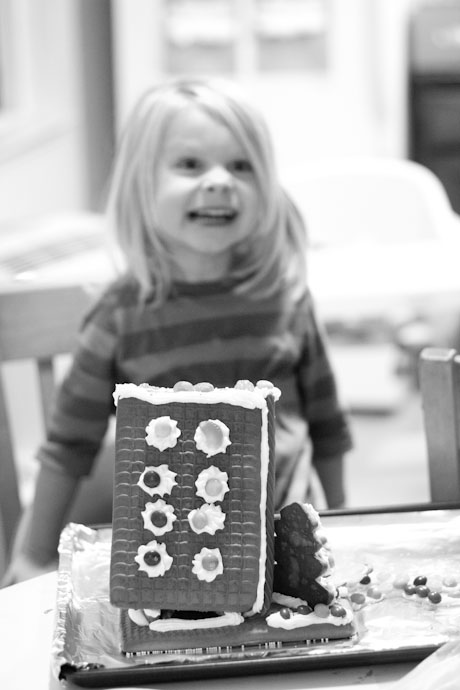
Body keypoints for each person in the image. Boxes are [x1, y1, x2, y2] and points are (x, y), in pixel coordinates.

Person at [6, 77, 352, 584]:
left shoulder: (287, 299)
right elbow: (67, 448)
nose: (219, 181)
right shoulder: (119, 317)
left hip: (287, 551)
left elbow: (327, 427)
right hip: (173, 557)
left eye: (241, 165)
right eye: (190, 164)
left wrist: (344, 521)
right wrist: (34, 555)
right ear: (142, 186)